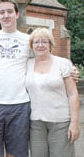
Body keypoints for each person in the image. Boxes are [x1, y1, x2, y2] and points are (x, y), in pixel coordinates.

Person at [0, 0, 79, 157]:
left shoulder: (28, 41)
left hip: (21, 105)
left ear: (17, 14)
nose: (6, 15)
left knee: (16, 152)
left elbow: (45, 58)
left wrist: (70, 69)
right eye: (2, 12)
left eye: (10, 11)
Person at [26, 28, 80, 157]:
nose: (40, 45)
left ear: (51, 45)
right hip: (36, 122)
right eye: (36, 42)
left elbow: (73, 94)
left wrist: (74, 123)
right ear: (31, 46)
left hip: (60, 122)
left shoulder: (63, 64)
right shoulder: (27, 64)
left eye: (44, 42)